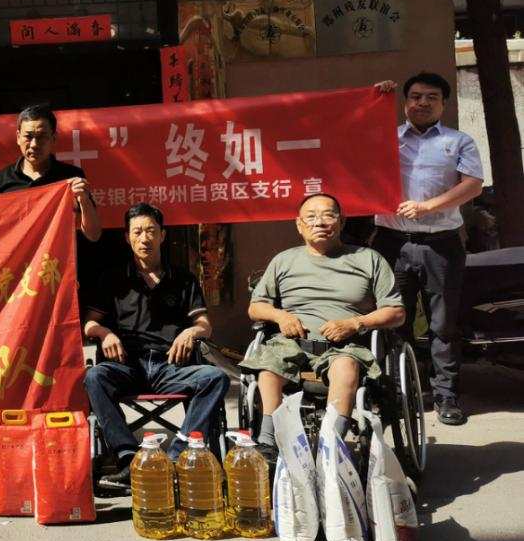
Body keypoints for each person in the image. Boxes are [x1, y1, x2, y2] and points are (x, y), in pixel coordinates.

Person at [242, 193, 405, 460]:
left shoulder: (368, 259)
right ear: (299, 225)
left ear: (342, 222)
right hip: (291, 343)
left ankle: (331, 446)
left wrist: (355, 323)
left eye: (328, 215)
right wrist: (281, 316)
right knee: (268, 367)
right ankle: (269, 441)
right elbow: (256, 307)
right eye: (311, 217)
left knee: (346, 367)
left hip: (345, 345)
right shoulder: (284, 260)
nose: (319, 222)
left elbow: (396, 312)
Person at [82, 203, 229, 488]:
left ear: (162, 234)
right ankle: (128, 459)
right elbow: (89, 323)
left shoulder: (183, 279)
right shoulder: (112, 279)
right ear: (127, 237)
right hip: (126, 365)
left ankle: (177, 458)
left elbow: (204, 325)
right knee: (94, 377)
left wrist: (191, 332)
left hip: (170, 366)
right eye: (137, 232)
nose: (144, 238)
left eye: (151, 231)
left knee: (215, 377)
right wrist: (104, 333)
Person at [373, 73, 484, 426]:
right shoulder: (385, 138)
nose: (423, 103)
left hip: (441, 245)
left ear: (443, 103)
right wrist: (374, 101)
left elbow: (473, 185)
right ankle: (400, 392)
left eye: (431, 97)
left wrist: (428, 207)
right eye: (416, 96)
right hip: (392, 243)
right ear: (405, 102)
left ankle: (446, 395)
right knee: (394, 320)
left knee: (443, 324)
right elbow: (352, 144)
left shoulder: (458, 141)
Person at [0, 103, 102, 242]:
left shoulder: (70, 177)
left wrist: (84, 201)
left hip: (56, 254)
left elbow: (93, 235)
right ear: (18, 137)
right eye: (28, 136)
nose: (34, 144)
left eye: (42, 137)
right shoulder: (1, 180)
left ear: (54, 138)